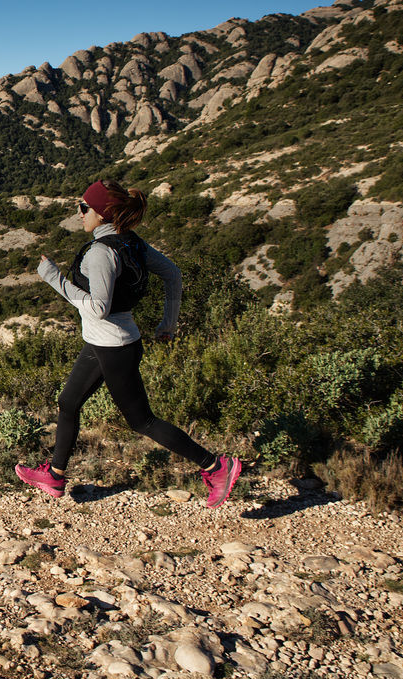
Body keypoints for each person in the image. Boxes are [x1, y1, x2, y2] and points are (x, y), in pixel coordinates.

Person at [15, 180, 242, 508]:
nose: (79, 213)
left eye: (84, 208)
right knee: (68, 402)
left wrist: (55, 279)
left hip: (114, 348)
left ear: (101, 215)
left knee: (142, 421)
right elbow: (173, 275)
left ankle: (217, 466)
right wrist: (169, 323)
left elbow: (98, 307)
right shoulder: (130, 243)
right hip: (104, 342)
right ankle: (54, 475)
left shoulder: (101, 253)